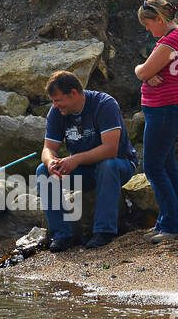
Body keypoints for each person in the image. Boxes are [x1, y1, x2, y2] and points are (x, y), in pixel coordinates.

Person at [35, 70, 138, 251]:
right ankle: (62, 235)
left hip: (119, 165)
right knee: (42, 171)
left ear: (74, 93)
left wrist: (75, 159)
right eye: (53, 102)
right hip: (83, 170)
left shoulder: (105, 104)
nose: (56, 106)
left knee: (106, 165)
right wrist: (51, 162)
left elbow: (110, 149)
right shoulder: (57, 111)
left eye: (58, 101)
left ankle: (104, 231)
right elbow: (48, 148)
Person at [133, 0, 178, 243]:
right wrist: (149, 74)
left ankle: (171, 224)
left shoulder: (170, 41)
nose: (147, 30)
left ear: (159, 18)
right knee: (166, 166)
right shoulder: (177, 37)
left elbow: (144, 71)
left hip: (165, 109)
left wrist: (142, 72)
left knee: (154, 167)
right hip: (167, 107)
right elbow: (152, 71)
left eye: (148, 24)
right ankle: (169, 220)